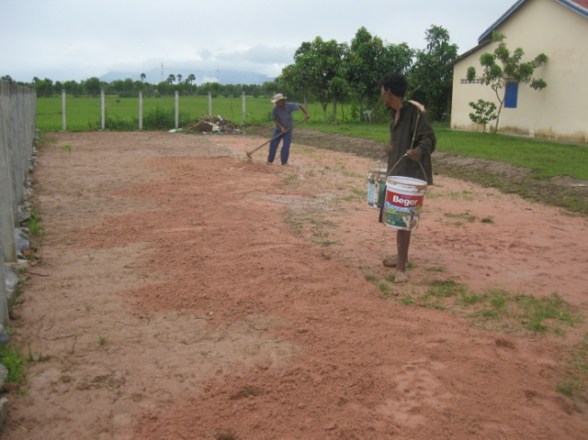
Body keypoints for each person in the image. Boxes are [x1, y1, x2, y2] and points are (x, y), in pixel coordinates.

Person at [379, 72, 436, 283]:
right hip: (398, 171)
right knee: (397, 216)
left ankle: (401, 268)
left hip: (411, 175)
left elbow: (429, 138)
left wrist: (419, 151)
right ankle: (400, 255)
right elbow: (400, 141)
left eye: (382, 91)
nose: (381, 95)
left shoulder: (415, 113)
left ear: (388, 92)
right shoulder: (394, 114)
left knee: (404, 219)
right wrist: (391, 148)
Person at [267, 93, 309, 165]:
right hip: (278, 129)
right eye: (276, 102)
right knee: (273, 143)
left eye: (277, 102)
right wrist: (281, 127)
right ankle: (270, 161)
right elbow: (275, 120)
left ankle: (284, 162)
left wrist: (306, 114)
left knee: (286, 146)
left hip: (288, 129)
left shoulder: (289, 106)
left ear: (282, 101)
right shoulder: (275, 109)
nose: (276, 104)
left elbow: (300, 105)